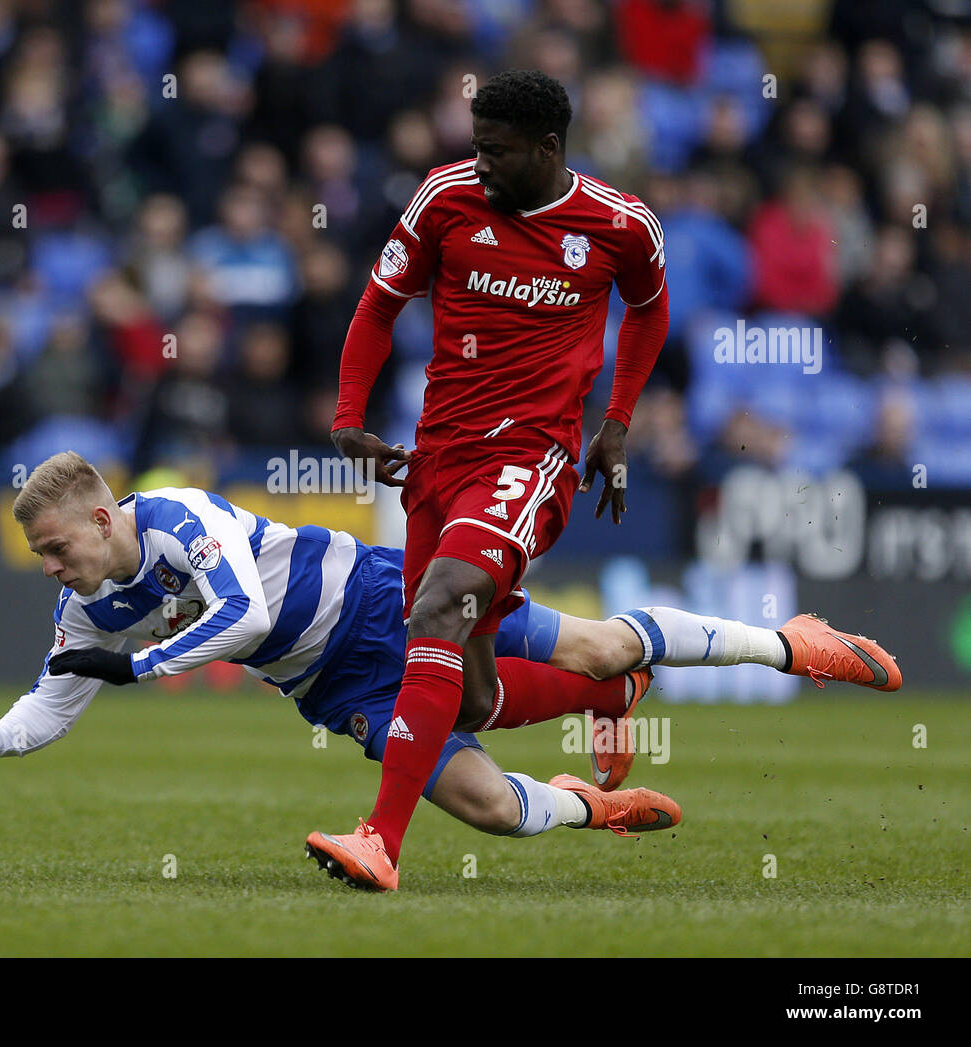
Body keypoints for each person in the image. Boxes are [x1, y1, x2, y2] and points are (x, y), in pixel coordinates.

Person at [311, 69, 892, 890]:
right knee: (466, 698)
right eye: (475, 147)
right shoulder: (443, 199)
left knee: (441, 601)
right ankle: (609, 688)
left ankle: (381, 839)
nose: (479, 166)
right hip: (437, 461)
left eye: (497, 152)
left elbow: (651, 310)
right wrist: (345, 419)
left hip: (531, 460)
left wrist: (615, 422)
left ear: (548, 148)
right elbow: (377, 306)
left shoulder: (618, 225)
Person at [0, 453, 901, 883]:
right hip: (334, 686)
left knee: (596, 642)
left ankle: (791, 643)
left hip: (389, 596)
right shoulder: (80, 605)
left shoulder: (179, 516)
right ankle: (593, 803)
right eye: (38, 557)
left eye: (53, 547)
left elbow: (244, 611)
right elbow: (51, 703)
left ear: (98, 514)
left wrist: (143, 666)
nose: (48, 568)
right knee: (492, 812)